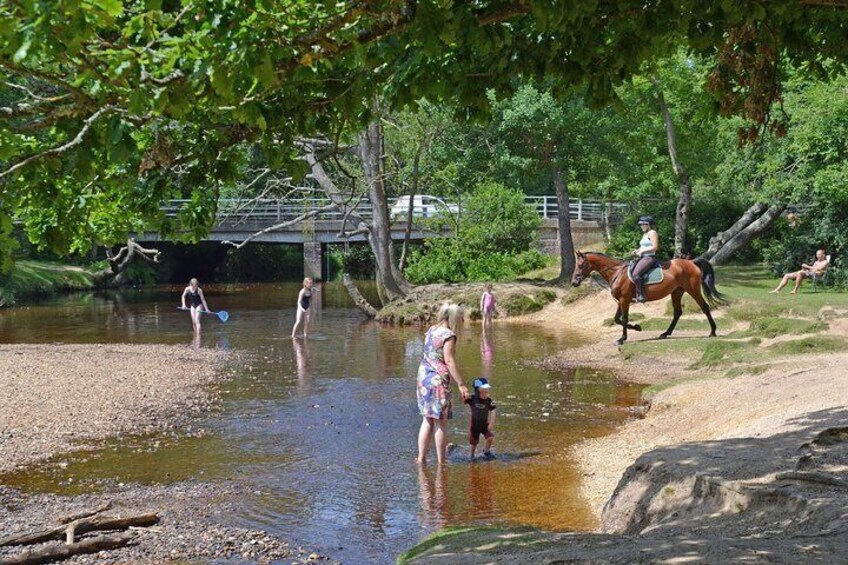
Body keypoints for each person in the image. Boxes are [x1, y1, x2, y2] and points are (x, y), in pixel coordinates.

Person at [416, 302, 470, 465]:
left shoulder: (431, 330)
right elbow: (449, 360)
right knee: (440, 422)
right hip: (437, 380)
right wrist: (461, 384)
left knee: (427, 419)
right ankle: (441, 462)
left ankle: (421, 458)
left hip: (423, 376)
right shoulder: (449, 335)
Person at [465, 378, 497, 460]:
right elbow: (462, 398)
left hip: (484, 424)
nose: (486, 391)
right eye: (483, 389)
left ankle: (486, 451)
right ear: (478, 389)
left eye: (487, 390)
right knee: (474, 443)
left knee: (490, 437)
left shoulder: (489, 401)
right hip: (474, 425)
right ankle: (471, 456)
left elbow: (493, 412)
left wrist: (491, 424)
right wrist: (465, 394)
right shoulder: (472, 399)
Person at [630, 215, 659, 303]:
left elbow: (654, 247)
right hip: (642, 257)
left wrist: (642, 251)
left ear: (648, 224)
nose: (641, 226)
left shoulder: (652, 233)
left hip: (649, 257)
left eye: (643, 224)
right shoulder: (645, 234)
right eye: (641, 225)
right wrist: (637, 250)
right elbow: (643, 246)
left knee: (635, 274)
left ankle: (642, 295)